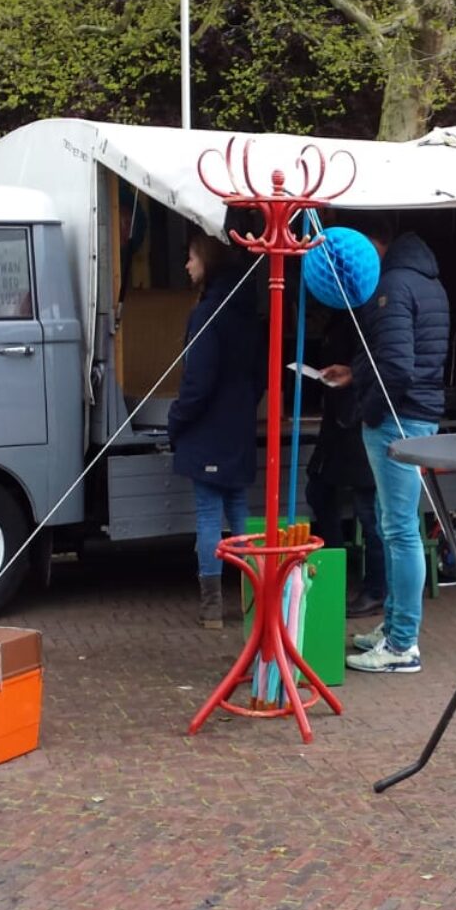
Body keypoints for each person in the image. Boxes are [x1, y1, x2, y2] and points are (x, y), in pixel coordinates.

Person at [320, 218, 450, 674]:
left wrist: (367, 408)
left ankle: (402, 644)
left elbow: (396, 367)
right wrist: (355, 372)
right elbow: (399, 357)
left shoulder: (391, 285)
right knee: (397, 526)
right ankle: (395, 627)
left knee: (398, 530)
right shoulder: (425, 280)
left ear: (372, 245)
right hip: (418, 414)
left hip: (397, 419)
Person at [168, 231, 262, 628]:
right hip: (239, 424)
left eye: (191, 257)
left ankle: (211, 607)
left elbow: (198, 380)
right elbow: (260, 374)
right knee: (238, 509)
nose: (187, 265)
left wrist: (177, 418)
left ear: (208, 259)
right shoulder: (247, 309)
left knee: (209, 514)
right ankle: (252, 598)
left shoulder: (206, 313)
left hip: (207, 428)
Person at [305, 310, 385, 617]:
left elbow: (380, 364)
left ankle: (376, 589)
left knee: (370, 513)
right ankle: (334, 574)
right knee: (322, 492)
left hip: (356, 419)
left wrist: (351, 376)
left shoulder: (367, 315)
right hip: (340, 420)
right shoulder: (342, 316)